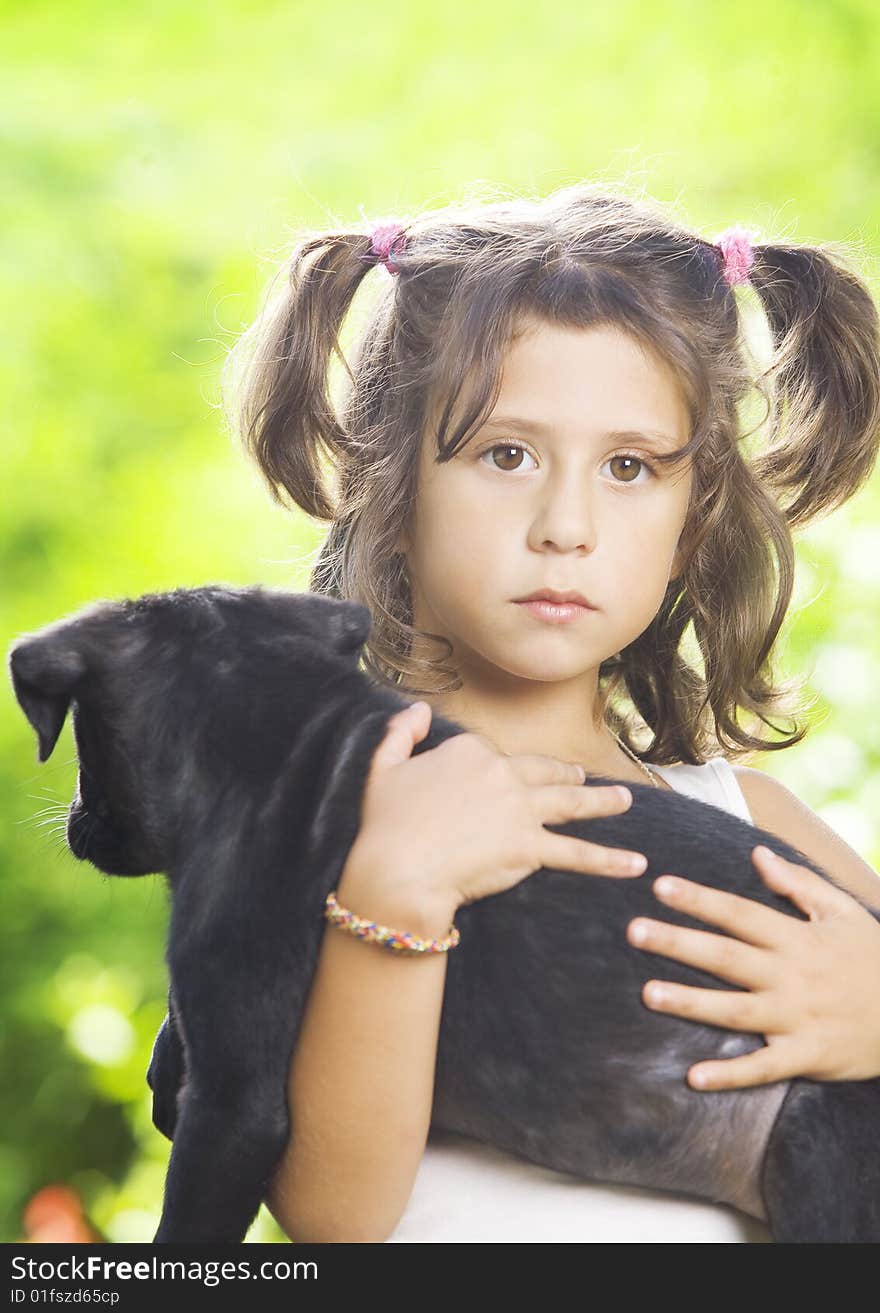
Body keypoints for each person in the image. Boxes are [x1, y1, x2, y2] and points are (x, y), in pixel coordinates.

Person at [220, 183, 880, 1242]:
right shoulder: (305, 828)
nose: (565, 524)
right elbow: (332, 1217)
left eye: (628, 467)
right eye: (505, 454)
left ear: (693, 514)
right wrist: (394, 887)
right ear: (388, 484)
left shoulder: (742, 816)